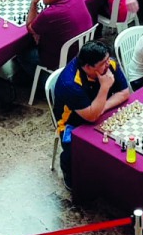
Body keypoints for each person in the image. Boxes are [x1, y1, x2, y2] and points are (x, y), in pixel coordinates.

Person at [52, 41, 130, 187]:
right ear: (88, 67)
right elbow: (91, 117)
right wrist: (105, 87)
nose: (109, 64)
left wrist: (101, 107)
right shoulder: (71, 84)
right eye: (103, 63)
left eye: (108, 59)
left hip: (101, 112)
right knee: (75, 152)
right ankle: (68, 172)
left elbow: (124, 93)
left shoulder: (108, 64)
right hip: (72, 124)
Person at [25, 0, 95, 73]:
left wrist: (33, 3)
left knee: (23, 53)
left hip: (60, 59)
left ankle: (43, 82)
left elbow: (30, 28)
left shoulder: (49, 14)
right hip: (84, 50)